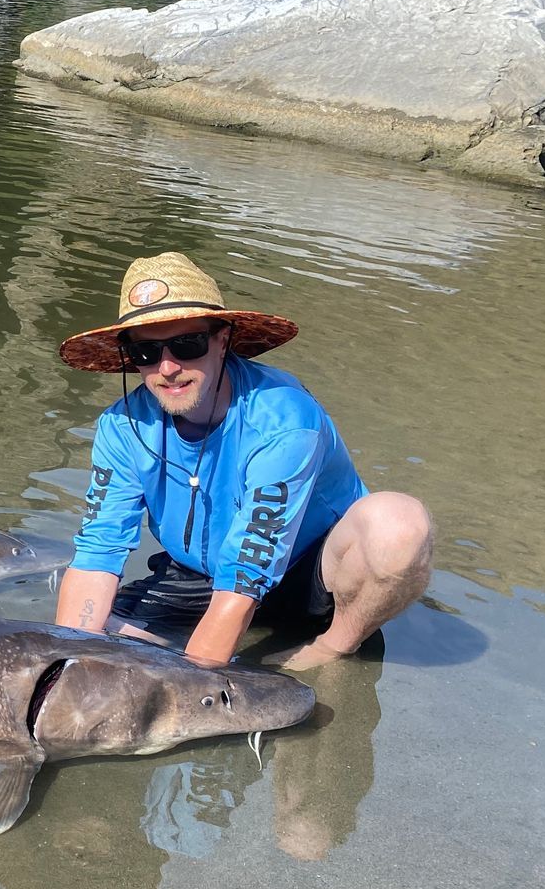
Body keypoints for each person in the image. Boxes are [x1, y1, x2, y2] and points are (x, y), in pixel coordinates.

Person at [52, 252, 432, 672]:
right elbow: (98, 552)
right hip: (199, 575)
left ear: (222, 340)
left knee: (399, 524)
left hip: (311, 576)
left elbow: (248, 567)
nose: (168, 368)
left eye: (187, 344)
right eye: (145, 352)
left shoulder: (285, 419)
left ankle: (334, 646)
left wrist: (197, 685)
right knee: (94, 641)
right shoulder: (120, 425)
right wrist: (72, 663)